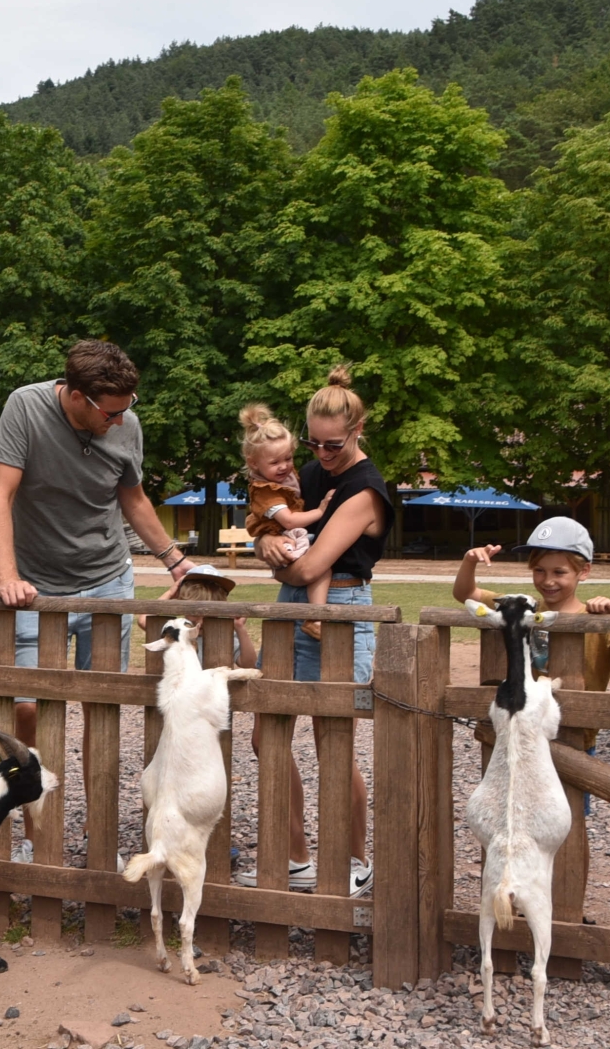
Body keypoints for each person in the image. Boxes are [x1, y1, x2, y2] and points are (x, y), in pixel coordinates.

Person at [0, 340, 197, 856]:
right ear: (77, 397)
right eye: (111, 411)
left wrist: (175, 559)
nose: (121, 419)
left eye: (128, 408)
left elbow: (133, 497)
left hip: (107, 581)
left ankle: (97, 829)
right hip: (37, 587)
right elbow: (0, 493)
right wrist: (8, 576)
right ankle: (36, 833)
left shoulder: (125, 421)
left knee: (98, 710)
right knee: (29, 708)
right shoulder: (25, 407)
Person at [242, 366, 385, 897]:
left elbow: (308, 567)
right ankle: (298, 856)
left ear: (358, 429)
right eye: (314, 443)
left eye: (334, 444)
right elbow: (276, 531)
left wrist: (278, 560)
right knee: (266, 733)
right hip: (292, 604)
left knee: (333, 741)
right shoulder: (305, 472)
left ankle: (353, 862)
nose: (322, 455)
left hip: (340, 606)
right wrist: (265, 545)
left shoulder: (365, 490)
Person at [451, 515, 610, 694]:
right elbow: (465, 594)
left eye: (559, 572)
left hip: (581, 719)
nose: (548, 581)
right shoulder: (519, 609)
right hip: (526, 718)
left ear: (584, 571)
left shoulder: (601, 624)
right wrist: (469, 562)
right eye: (539, 570)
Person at [240, 403, 333, 627]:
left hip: (287, 538)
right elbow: (289, 520)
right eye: (275, 462)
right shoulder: (267, 491)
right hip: (286, 539)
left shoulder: (283, 478)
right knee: (321, 567)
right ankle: (316, 617)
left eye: (288, 459)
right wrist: (320, 511)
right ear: (254, 463)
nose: (284, 467)